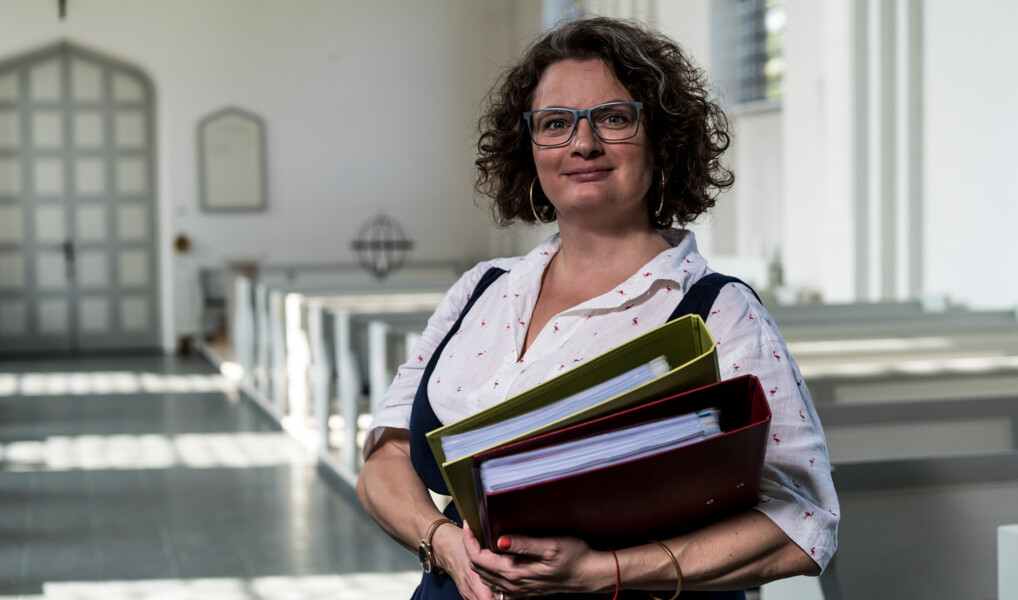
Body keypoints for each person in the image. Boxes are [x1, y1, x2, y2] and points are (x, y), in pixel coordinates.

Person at [357, 17, 838, 600]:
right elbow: (386, 457)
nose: (582, 143)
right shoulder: (481, 289)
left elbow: (802, 523)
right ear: (529, 150)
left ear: (661, 140)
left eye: (612, 117)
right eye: (555, 123)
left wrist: (604, 571)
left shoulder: (719, 311)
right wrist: (444, 544)